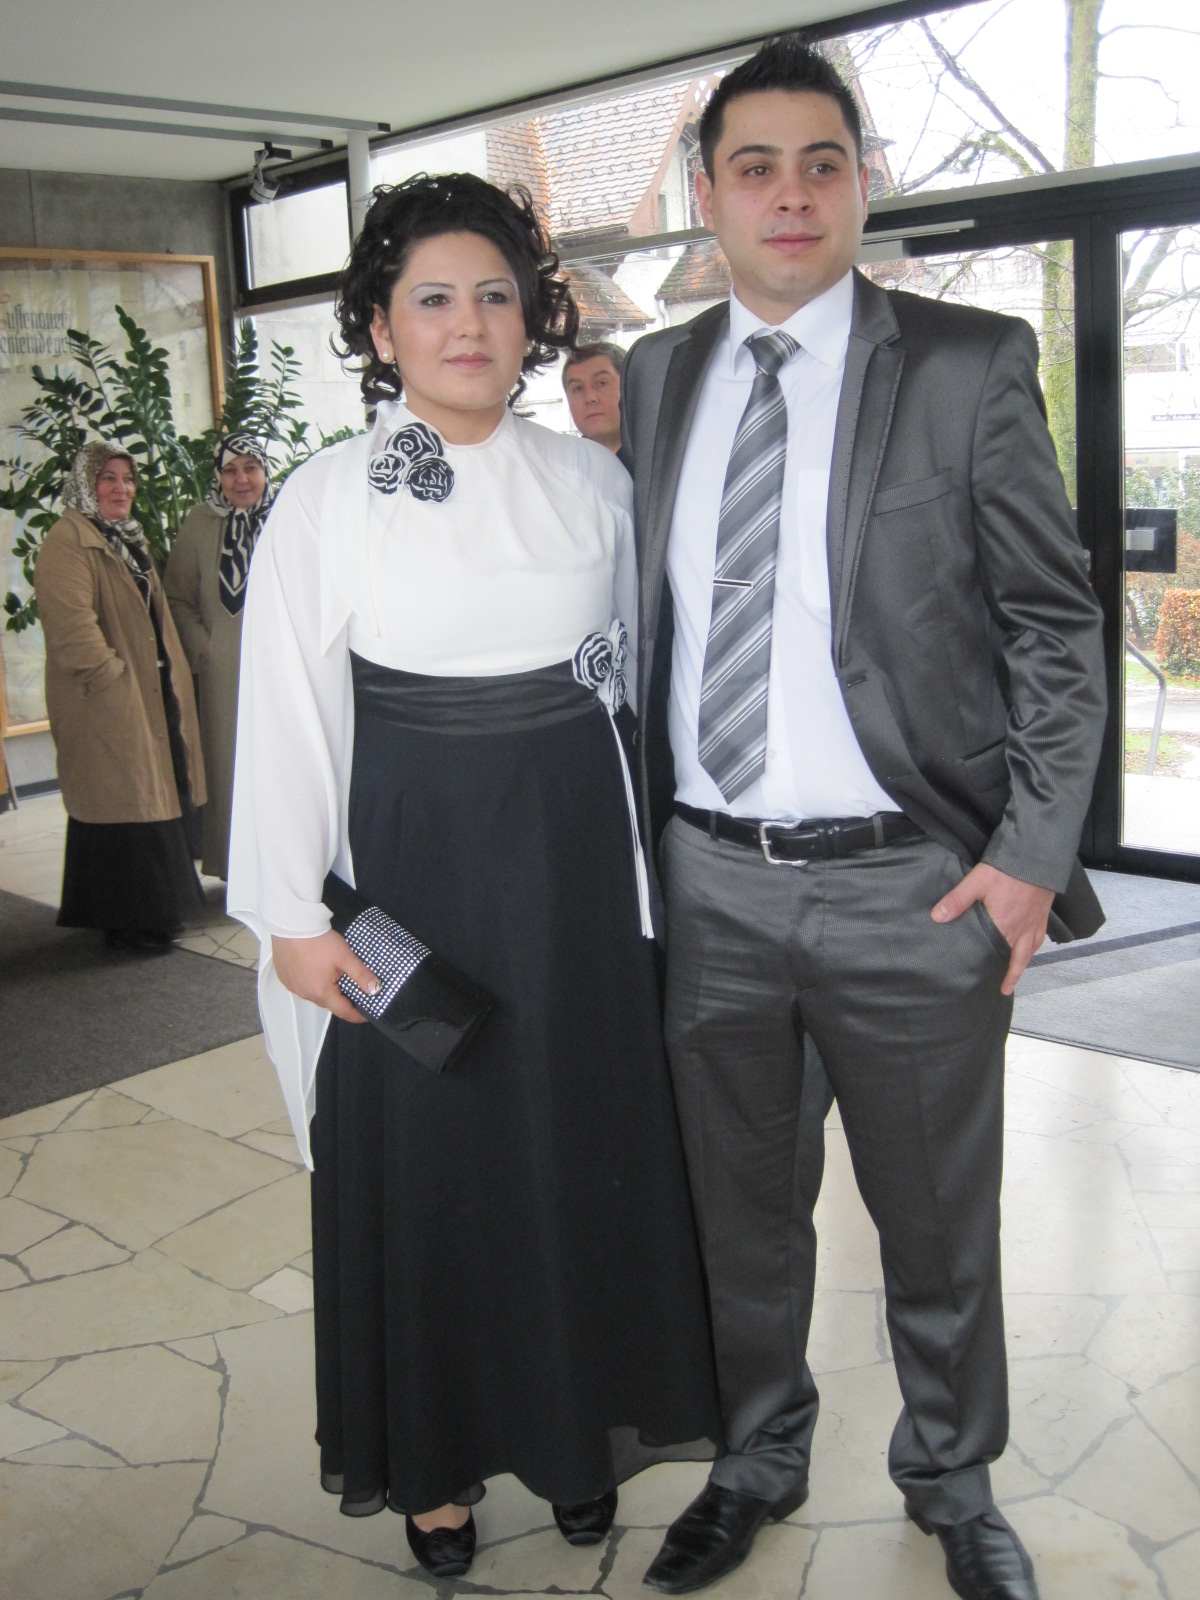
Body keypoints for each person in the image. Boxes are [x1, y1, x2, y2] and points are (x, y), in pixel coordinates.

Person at [620, 35, 1106, 1600]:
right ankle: (755, 1460)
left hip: (914, 885)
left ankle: (953, 1481)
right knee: (739, 1220)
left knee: (936, 1224)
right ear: (707, 195)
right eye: (755, 166)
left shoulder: (965, 365)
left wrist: (1028, 858)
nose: (791, 193)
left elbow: (1055, 627)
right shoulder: (656, 379)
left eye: (822, 162)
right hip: (710, 884)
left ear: (862, 185)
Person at [227, 172, 721, 1583]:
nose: (468, 324)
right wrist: (292, 918)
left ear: (532, 319)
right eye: (432, 298)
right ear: (381, 329)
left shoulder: (594, 482)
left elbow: (643, 691)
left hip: (575, 888)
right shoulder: (327, 502)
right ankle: (434, 1466)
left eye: (496, 296)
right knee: (433, 1175)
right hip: (413, 878)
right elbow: (285, 712)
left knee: (576, 1161)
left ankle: (575, 1441)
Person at [34, 441, 207, 953]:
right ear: (86, 485)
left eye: (128, 479)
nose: (121, 488)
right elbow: (72, 629)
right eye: (107, 478)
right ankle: (133, 921)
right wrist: (113, 682)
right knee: (122, 805)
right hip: (106, 700)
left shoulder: (125, 537)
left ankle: (145, 916)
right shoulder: (68, 543)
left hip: (147, 693)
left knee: (144, 801)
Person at [164, 436, 276, 879]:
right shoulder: (200, 523)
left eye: (251, 467)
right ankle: (240, 869)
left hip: (285, 667)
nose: (241, 479)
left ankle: (291, 865)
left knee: (283, 763)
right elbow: (177, 598)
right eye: (230, 470)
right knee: (232, 766)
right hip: (224, 673)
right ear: (218, 476)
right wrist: (203, 647)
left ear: (265, 471)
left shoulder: (289, 517)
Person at [562, 341, 625, 452]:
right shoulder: (558, 460)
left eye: (601, 383)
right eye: (578, 388)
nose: (589, 398)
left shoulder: (656, 456)